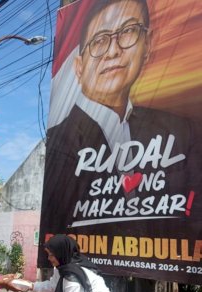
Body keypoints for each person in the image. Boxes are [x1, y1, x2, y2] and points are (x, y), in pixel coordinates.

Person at [41, 0, 200, 241]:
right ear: (79, 66)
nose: (113, 51)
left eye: (128, 32)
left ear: (147, 44)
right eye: (100, 40)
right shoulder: (60, 145)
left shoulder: (183, 132)